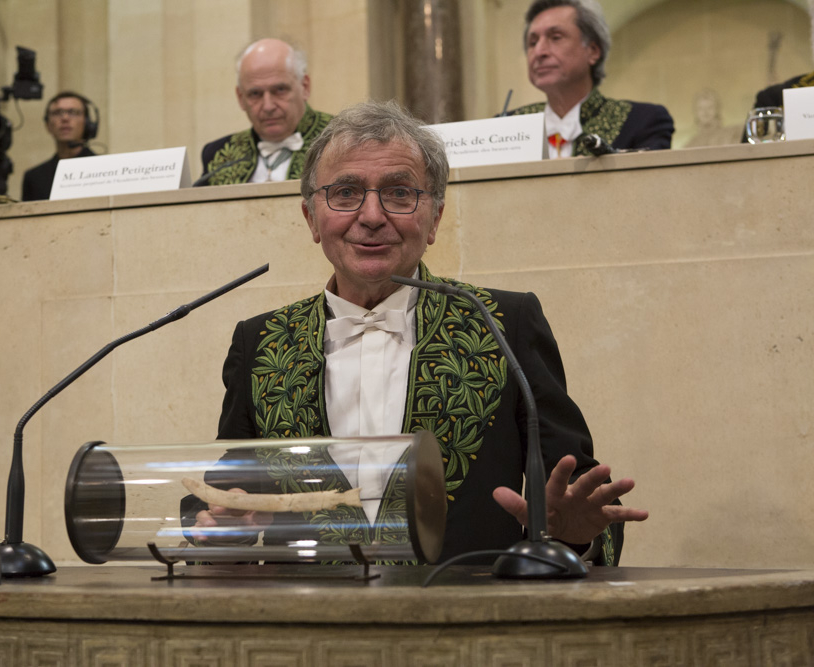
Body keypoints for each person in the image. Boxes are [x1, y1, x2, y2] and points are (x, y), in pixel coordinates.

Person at [190, 101, 648, 565]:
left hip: (472, 622)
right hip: (308, 625)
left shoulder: (505, 321)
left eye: (399, 193)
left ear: (434, 218)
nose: (371, 215)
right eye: (345, 192)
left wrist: (572, 537)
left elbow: (576, 496)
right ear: (311, 218)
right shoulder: (262, 342)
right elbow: (224, 493)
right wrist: (218, 525)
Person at [509, 0, 673, 158]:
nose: (539, 51)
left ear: (593, 51)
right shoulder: (506, 127)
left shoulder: (642, 122)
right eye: (533, 42)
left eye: (556, 37)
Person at [198, 38, 332, 186]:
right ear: (241, 98)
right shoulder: (219, 155)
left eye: (280, 90)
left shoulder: (342, 138)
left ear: (305, 87)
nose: (268, 106)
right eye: (255, 94)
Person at [21, 91, 98, 201]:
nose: (65, 118)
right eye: (57, 113)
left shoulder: (103, 169)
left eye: (73, 112)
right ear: (48, 124)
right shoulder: (34, 177)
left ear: (87, 123)